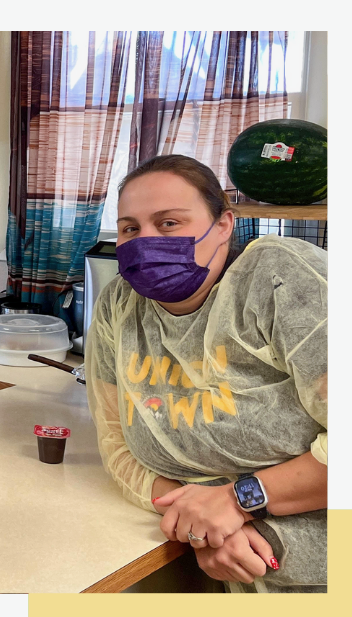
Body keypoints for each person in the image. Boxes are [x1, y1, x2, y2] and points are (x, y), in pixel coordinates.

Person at [85, 155, 327, 593]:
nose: (146, 241)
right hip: (210, 563)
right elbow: (115, 444)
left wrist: (239, 501)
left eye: (169, 223)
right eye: (130, 228)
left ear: (223, 225)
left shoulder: (279, 279)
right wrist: (199, 518)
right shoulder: (120, 308)